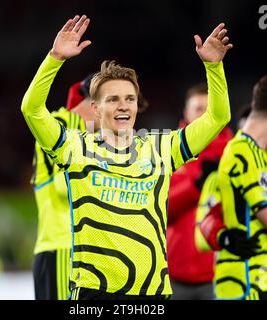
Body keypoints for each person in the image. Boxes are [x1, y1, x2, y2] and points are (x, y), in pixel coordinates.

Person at [21, 14, 232, 300]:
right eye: (113, 99)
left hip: (152, 294)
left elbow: (218, 117)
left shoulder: (161, 148)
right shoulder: (75, 148)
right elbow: (31, 110)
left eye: (129, 98)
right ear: (95, 108)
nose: (123, 106)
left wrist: (214, 67)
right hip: (95, 294)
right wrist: (54, 58)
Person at [31, 75, 100, 300]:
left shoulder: (89, 131)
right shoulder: (63, 123)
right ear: (95, 104)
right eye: (113, 101)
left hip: (82, 251)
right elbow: (66, 187)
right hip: (63, 248)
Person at [198, 81, 267, 299]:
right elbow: (201, 230)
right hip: (245, 282)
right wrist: (223, 236)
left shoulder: (259, 154)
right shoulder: (240, 153)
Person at [167, 83, 233, 300]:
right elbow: (160, 208)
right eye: (198, 109)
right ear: (186, 112)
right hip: (174, 272)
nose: (203, 115)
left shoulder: (234, 152)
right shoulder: (169, 149)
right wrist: (196, 185)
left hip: (222, 270)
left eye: (208, 109)